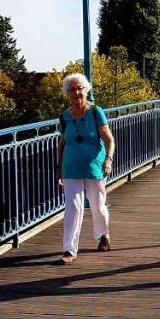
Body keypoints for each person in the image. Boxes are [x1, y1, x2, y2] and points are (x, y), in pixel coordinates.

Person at [55, 73, 116, 264]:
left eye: (79, 88)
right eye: (72, 89)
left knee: (97, 204)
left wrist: (108, 159)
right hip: (70, 167)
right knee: (73, 207)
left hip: (94, 166)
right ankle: (69, 250)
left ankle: (103, 235)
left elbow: (109, 139)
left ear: (86, 90)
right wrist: (58, 167)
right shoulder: (65, 116)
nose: (76, 92)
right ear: (67, 93)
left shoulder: (96, 112)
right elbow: (62, 142)